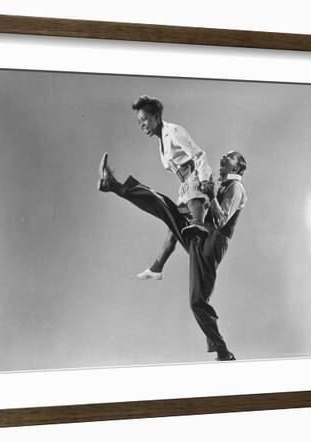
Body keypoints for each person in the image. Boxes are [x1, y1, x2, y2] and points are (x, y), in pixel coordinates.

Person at [97, 150, 247, 361]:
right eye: (224, 155)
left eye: (229, 157)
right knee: (166, 208)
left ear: (238, 167)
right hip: (199, 234)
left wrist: (210, 196)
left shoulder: (237, 187)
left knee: (197, 301)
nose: (222, 158)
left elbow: (221, 221)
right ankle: (115, 186)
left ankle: (223, 352)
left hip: (212, 242)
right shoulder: (220, 184)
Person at [131, 95, 213, 280]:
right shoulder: (161, 140)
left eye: (144, 119)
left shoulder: (174, 131)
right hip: (184, 184)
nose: (142, 125)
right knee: (172, 227)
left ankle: (199, 227)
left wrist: (205, 179)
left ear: (156, 117)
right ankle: (156, 268)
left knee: (193, 208)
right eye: (139, 122)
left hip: (195, 177)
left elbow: (198, 155)